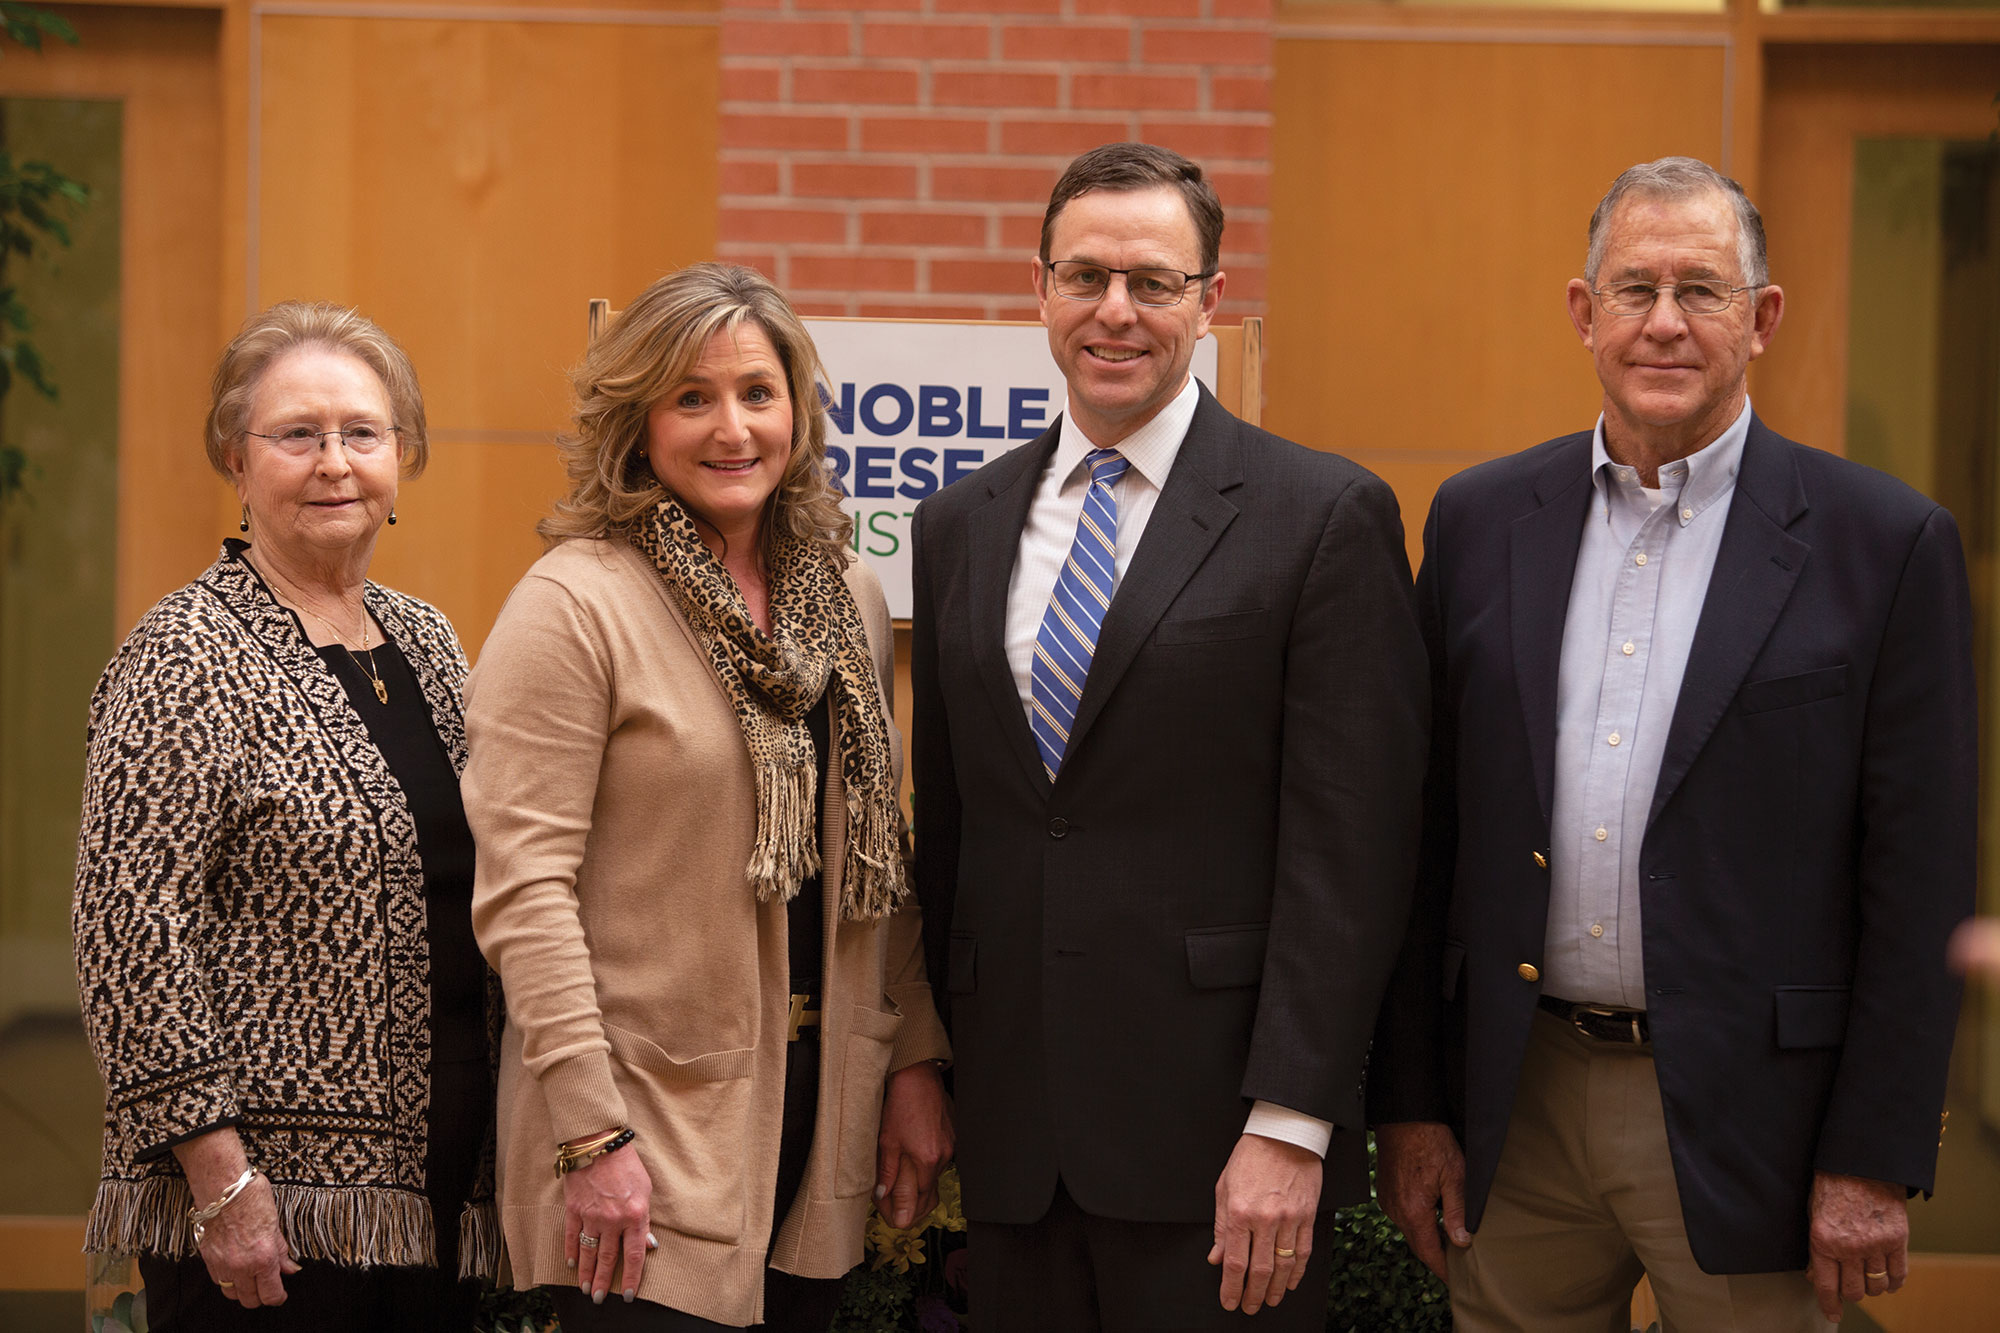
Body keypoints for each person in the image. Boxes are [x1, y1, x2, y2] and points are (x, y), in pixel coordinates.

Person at [1368, 156, 1975, 1331]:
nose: (1662, 323)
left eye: (1699, 289)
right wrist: (1412, 1101)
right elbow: (1423, 831)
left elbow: (1919, 876)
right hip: (1520, 1098)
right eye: (1632, 288)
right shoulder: (1480, 518)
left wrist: (1870, 1152)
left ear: (1760, 319)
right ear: (1581, 313)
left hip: (1762, 1118)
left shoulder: (1882, 543)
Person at [908, 142, 1429, 1328]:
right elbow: (955, 832)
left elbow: (1349, 852)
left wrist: (1289, 1123)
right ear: (1038, 291)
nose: (1114, 311)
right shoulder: (958, 524)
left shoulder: (1321, 517)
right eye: (1083, 275)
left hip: (1220, 1144)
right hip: (1015, 1144)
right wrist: (925, 1064)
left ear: (1209, 301)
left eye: (1151, 281)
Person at [463, 262, 952, 1331]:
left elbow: (875, 850)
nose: (731, 428)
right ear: (637, 424)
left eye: (756, 394)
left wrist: (910, 1056)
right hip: (638, 1136)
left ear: (798, 414)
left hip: (812, 1120)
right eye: (692, 397)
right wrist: (589, 1134)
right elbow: (522, 894)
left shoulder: (844, 595)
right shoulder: (573, 603)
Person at [71, 302, 497, 1330]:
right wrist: (221, 1182)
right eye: (296, 435)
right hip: (267, 1211)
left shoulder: (429, 644)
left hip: (437, 1187)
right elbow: (130, 935)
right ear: (236, 457)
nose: (334, 463)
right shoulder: (184, 653)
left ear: (402, 456)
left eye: (362, 433)